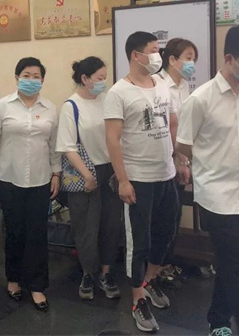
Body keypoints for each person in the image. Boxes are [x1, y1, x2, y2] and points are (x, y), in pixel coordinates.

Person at [176, 24, 239, 336]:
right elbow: (183, 144)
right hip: (216, 196)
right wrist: (210, 160)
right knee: (238, 267)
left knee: (232, 266)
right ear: (229, 58)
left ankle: (217, 320)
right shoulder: (201, 99)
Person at [104, 32, 181, 333]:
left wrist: (179, 159)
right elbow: (113, 139)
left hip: (166, 174)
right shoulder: (119, 92)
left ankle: (149, 280)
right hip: (138, 178)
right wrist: (123, 181)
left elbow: (172, 122)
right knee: (139, 241)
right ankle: (137, 297)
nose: (157, 55)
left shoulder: (161, 83)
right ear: (136, 55)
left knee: (166, 231)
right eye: (153, 50)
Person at [0, 57, 62, 312]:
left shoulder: (50, 108)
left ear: (42, 80)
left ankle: (37, 286)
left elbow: (54, 144)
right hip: (9, 177)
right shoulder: (3, 106)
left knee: (37, 233)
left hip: (40, 179)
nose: (31, 80)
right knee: (14, 231)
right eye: (26, 75)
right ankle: (14, 279)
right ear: (17, 78)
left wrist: (57, 174)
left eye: (36, 76)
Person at [55, 56, 122, 301]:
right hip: (84, 172)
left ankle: (106, 272)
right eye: (99, 78)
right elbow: (67, 146)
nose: (103, 82)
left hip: (110, 172)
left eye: (105, 78)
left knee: (111, 225)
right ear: (85, 78)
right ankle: (87, 273)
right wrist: (87, 175)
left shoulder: (108, 101)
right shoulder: (71, 106)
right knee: (85, 227)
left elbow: (118, 136)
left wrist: (119, 170)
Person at [155, 38, 199, 284]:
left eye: (194, 58)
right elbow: (164, 128)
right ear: (172, 59)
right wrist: (178, 158)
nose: (192, 63)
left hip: (180, 159)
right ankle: (156, 267)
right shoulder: (159, 85)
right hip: (162, 160)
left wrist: (185, 160)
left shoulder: (183, 86)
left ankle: (167, 263)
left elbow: (185, 125)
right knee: (162, 217)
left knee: (174, 215)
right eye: (188, 58)